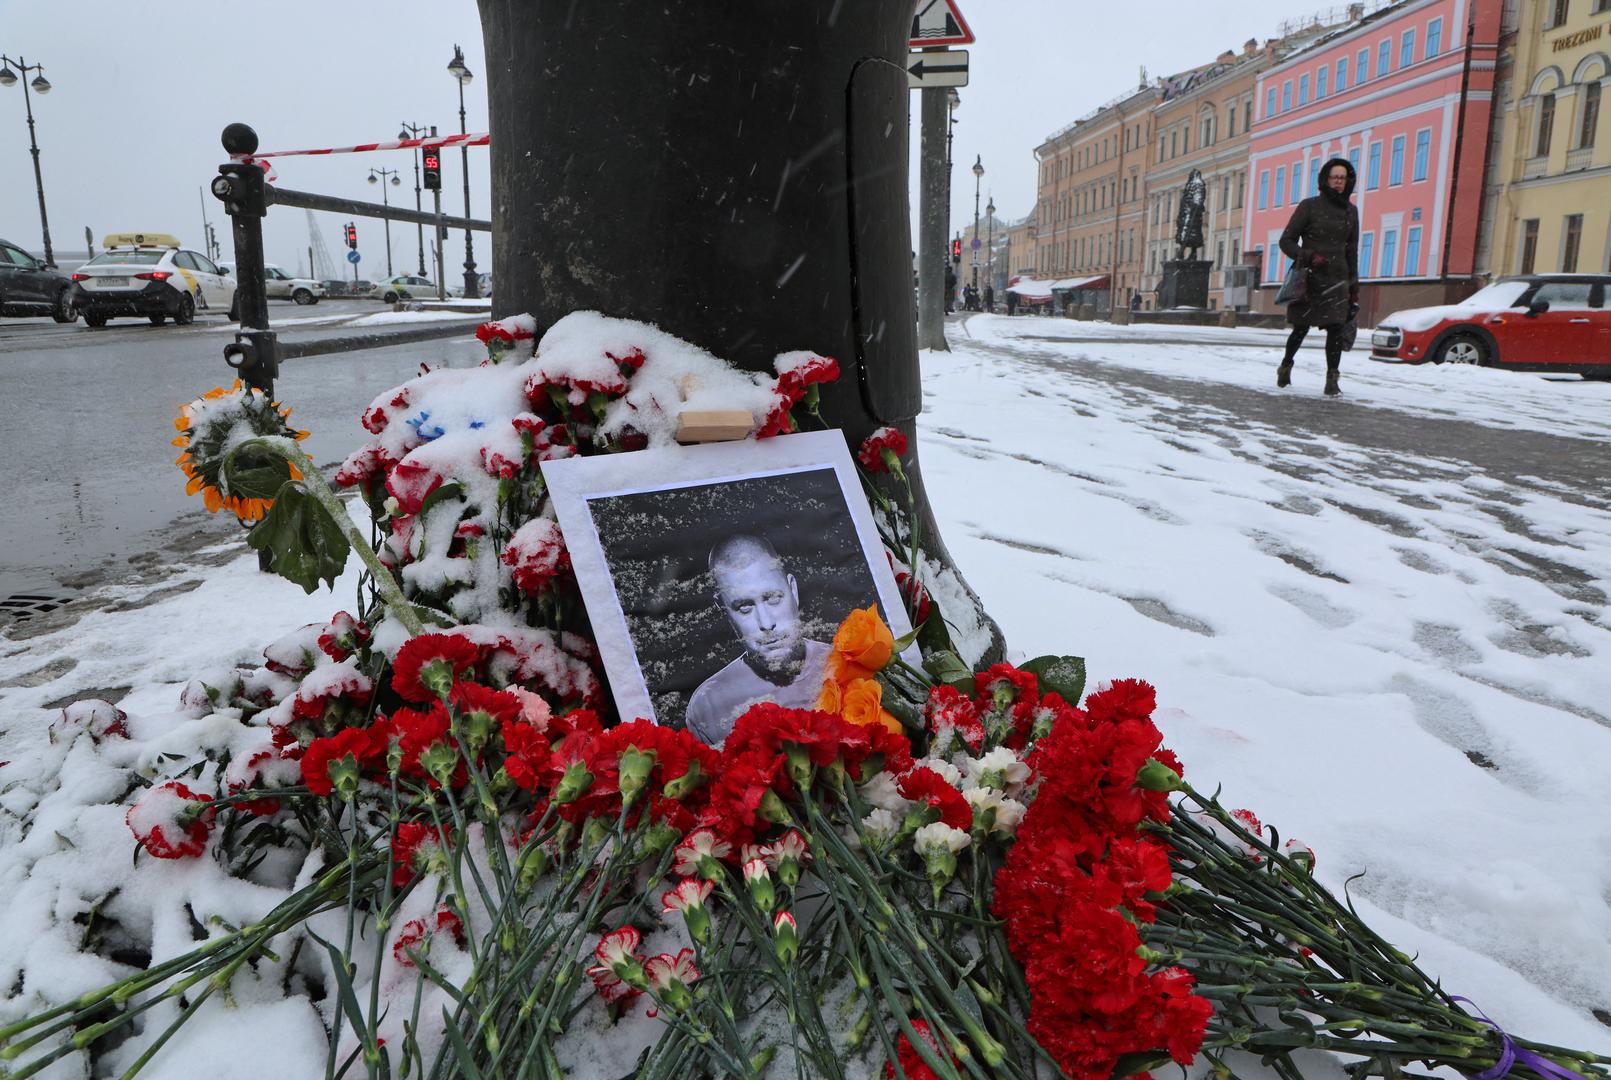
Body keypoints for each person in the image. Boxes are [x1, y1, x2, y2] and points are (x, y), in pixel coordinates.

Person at [684, 534, 831, 747]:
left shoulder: (845, 666)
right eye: (745, 607)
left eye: (773, 598)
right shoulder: (708, 706)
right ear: (723, 610)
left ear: (793, 590)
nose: (766, 623)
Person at [1276, 158, 1360, 397]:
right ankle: (1286, 365)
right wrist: (1308, 256)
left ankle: (1332, 379)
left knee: (1336, 330)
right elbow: (1286, 241)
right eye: (1334, 177)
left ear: (1348, 181)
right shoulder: (1309, 206)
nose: (1338, 182)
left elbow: (1352, 250)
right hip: (1310, 278)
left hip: (1338, 279)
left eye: (1342, 178)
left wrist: (1354, 285)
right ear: (1325, 179)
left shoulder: (1351, 211)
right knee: (1300, 328)